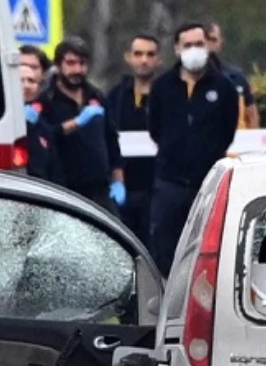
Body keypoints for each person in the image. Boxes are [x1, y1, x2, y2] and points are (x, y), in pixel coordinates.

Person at [147, 21, 240, 275]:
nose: (194, 50)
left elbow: (227, 131)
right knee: (166, 245)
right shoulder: (162, 86)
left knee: (210, 246)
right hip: (170, 182)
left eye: (199, 44)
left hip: (208, 182)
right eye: (188, 45)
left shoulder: (224, 88)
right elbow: (155, 128)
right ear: (177, 49)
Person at [32, 36, 125, 214]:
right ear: (59, 66)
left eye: (82, 64)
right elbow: (46, 138)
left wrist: (118, 181)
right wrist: (76, 122)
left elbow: (112, 141)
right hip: (66, 191)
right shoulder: (46, 101)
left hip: (101, 191)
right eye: (71, 63)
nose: (77, 69)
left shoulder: (96, 96)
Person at [106, 33, 162, 248]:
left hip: (158, 185)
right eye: (138, 54)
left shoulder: (168, 93)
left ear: (158, 59)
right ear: (128, 57)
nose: (144, 60)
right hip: (125, 184)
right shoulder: (116, 96)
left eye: (150, 54)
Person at [205, 20, 259, 129]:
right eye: (205, 40)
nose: (209, 45)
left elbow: (252, 115)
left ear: (220, 43)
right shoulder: (180, 79)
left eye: (213, 40)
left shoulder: (236, 77)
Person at [20, 61, 63, 185]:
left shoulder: (43, 122)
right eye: (21, 80)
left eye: (31, 81)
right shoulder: (2, 119)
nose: (26, 85)